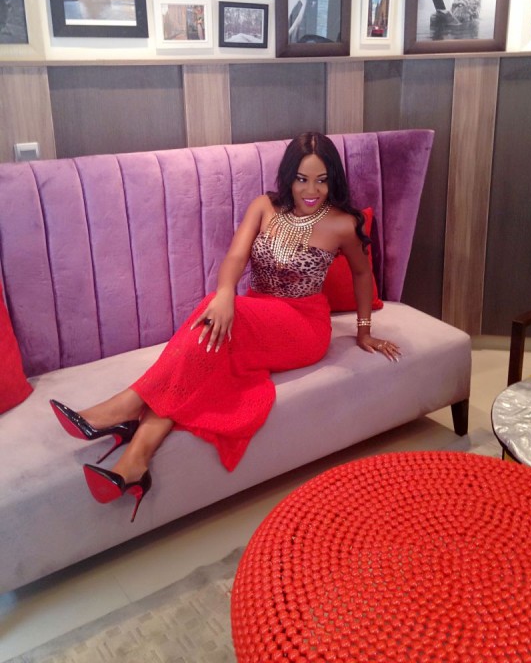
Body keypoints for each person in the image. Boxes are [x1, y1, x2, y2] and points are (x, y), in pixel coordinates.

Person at [49, 133, 400, 521]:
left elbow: (362, 274)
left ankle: (129, 404)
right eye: (302, 179)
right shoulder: (265, 206)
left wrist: (363, 331)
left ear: (334, 179)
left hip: (303, 326)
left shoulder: (343, 223)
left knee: (211, 320)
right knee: (204, 354)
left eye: (322, 180)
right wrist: (225, 293)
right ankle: (135, 460)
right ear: (289, 177)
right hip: (256, 314)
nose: (311, 190)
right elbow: (236, 255)